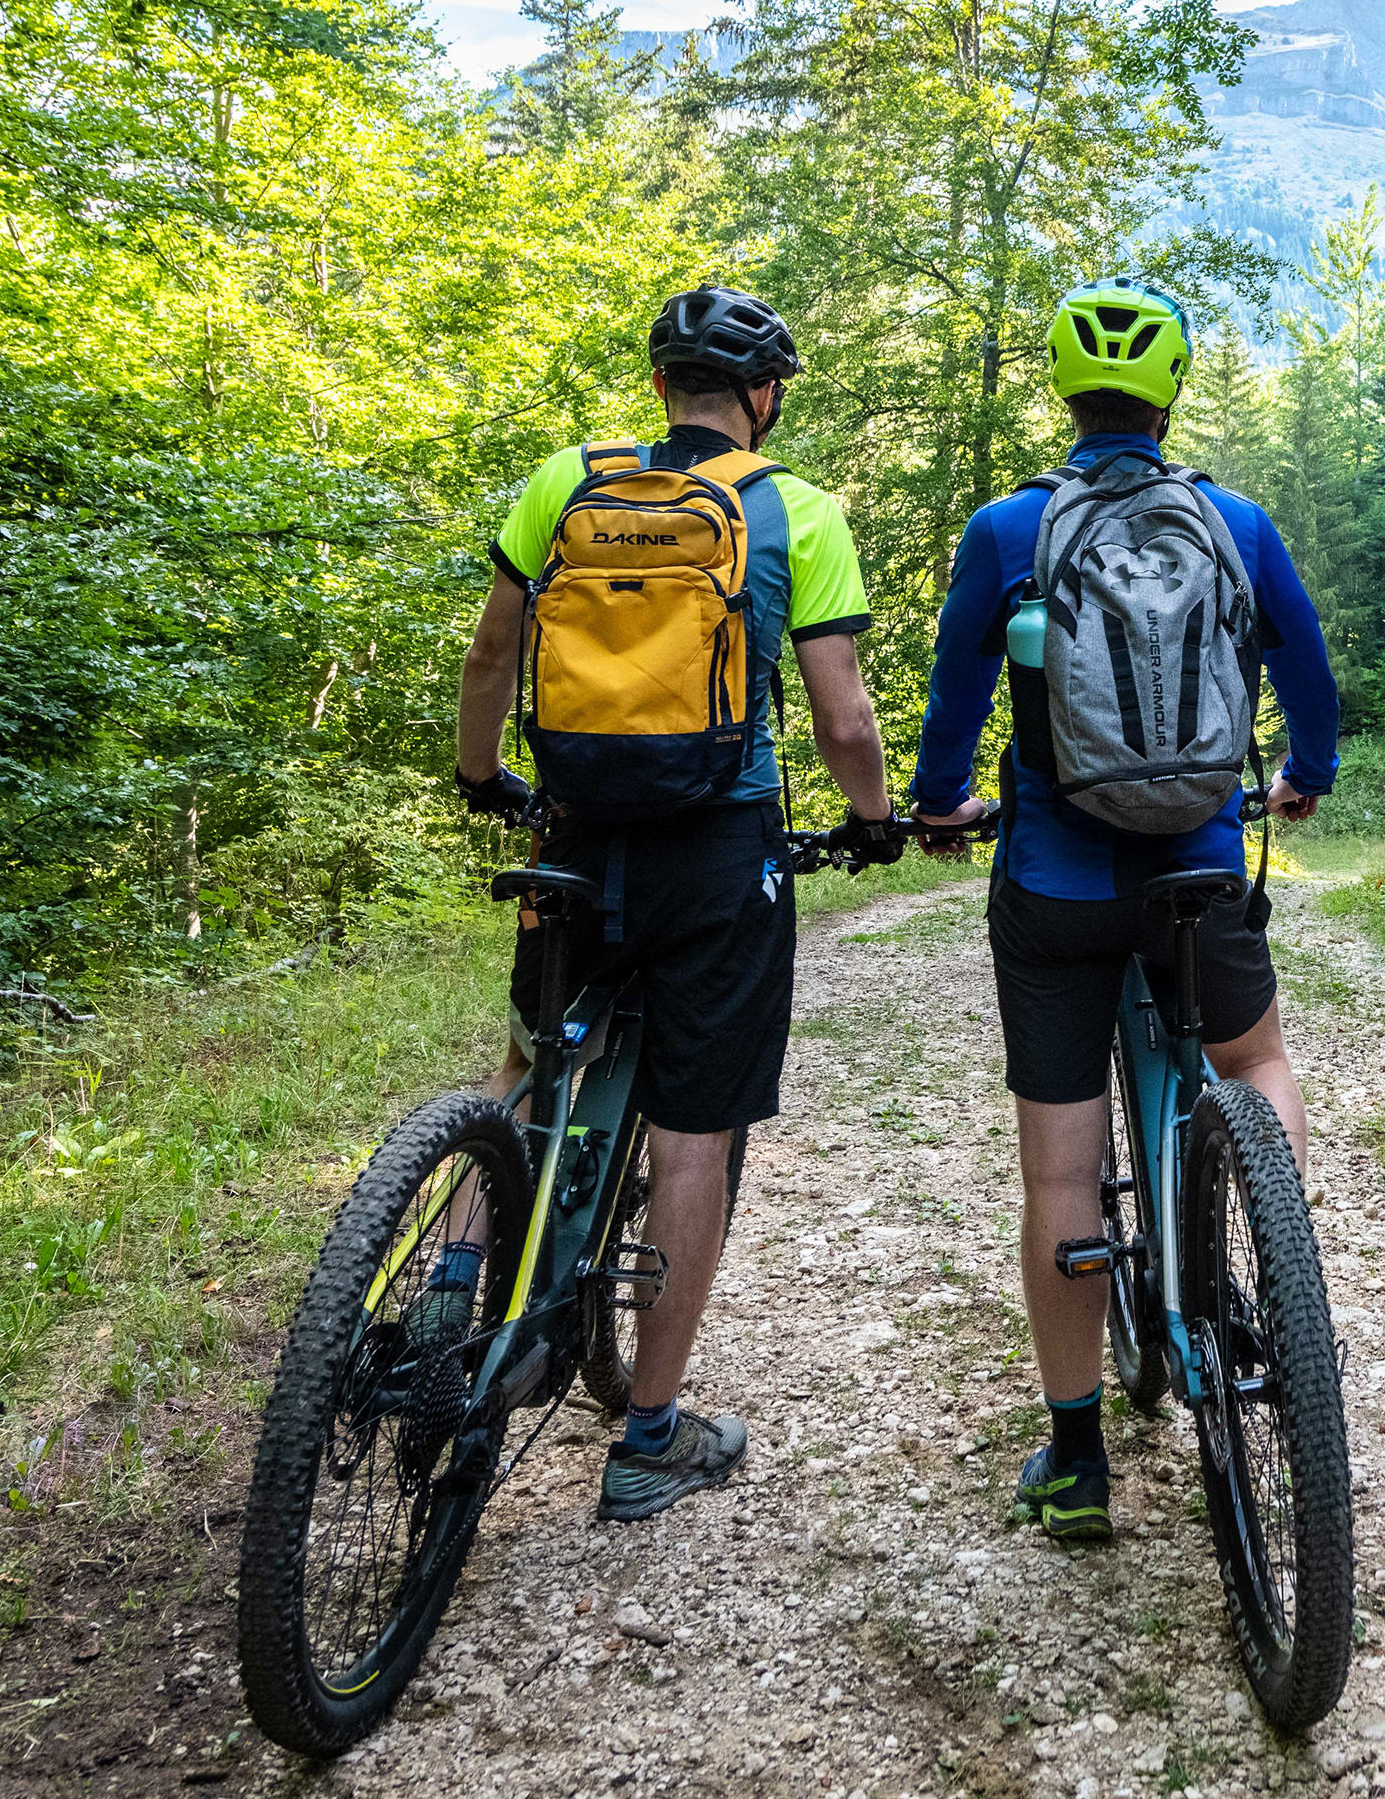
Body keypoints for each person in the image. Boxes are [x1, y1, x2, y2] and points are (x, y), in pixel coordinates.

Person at [444, 285, 901, 1523]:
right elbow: (842, 712)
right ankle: (648, 1433)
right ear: (764, 398)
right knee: (697, 1124)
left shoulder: (564, 483)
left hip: (580, 832)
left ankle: (446, 1294)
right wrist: (871, 820)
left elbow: (491, 655)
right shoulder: (794, 508)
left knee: (531, 1065)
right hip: (718, 848)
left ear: (660, 390)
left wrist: (485, 776)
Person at [907, 278, 1340, 1544]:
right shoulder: (1236, 520)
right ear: (1173, 395)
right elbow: (1309, 671)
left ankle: (1078, 1452)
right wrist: (1301, 777)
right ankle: (1278, 1284)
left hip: (1054, 878)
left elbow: (952, 693)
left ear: (1065, 391)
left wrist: (940, 806)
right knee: (1253, 1059)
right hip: (1199, 868)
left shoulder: (1009, 528)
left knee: (1059, 1164)